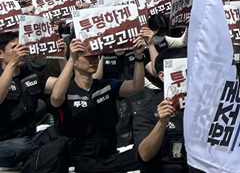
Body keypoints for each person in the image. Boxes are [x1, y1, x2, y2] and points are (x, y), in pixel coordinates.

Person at [52, 34, 148, 172]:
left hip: (109, 156)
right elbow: (56, 97)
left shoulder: (107, 85)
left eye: (96, 56)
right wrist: (71, 58)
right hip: (80, 159)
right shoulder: (65, 91)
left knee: (148, 156)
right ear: (75, 62)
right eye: (88, 57)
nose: (94, 60)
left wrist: (138, 57)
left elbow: (136, 86)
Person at [0, 32, 62, 168]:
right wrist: (12, 64)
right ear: (1, 54)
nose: (20, 51)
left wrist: (63, 58)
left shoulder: (31, 75)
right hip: (4, 143)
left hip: (30, 138)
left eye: (22, 47)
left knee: (59, 136)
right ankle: (45, 153)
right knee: (21, 146)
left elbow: (61, 86)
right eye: (15, 47)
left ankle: (44, 153)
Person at [133, 47, 188, 172]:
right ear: (163, 76)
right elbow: (145, 154)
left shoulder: (206, 104)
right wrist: (162, 123)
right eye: (183, 72)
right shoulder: (148, 112)